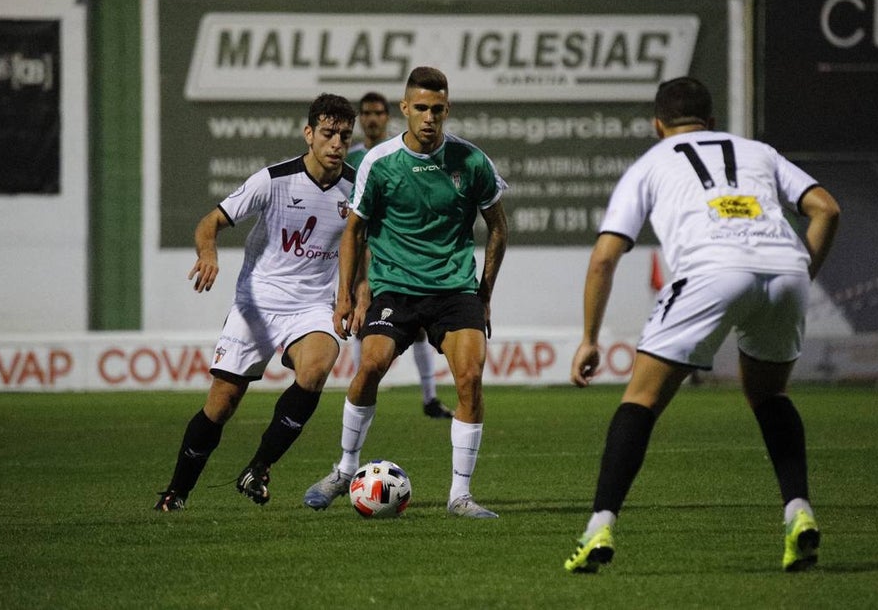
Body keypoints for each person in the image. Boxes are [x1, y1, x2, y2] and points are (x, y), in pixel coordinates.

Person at [562, 77, 841, 573]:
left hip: (712, 271)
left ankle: (598, 526)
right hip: (785, 269)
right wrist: (797, 273)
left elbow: (605, 258)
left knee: (641, 400)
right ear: (712, 123)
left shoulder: (650, 163)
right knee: (769, 396)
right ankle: (798, 510)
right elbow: (826, 209)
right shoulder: (758, 151)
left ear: (657, 125)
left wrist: (589, 338)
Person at [302, 66, 509, 518]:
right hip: (396, 287)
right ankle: (344, 469)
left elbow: (498, 228)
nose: (429, 117)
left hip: (455, 289)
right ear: (405, 109)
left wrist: (484, 292)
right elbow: (353, 232)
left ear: (447, 109)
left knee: (470, 378)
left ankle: (459, 496)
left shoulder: (472, 162)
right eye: (420, 108)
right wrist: (346, 295)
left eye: (437, 109)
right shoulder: (380, 163)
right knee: (370, 365)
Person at [153, 94, 357, 511]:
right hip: (257, 303)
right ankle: (176, 493)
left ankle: (259, 467)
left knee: (317, 367)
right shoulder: (273, 179)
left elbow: (364, 241)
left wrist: (354, 292)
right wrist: (208, 253)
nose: (336, 143)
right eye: (328, 133)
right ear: (309, 133)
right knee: (222, 404)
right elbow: (210, 222)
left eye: (344, 136)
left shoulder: (357, 186)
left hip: (313, 305)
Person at [347, 91, 456, 420]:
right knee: (358, 319)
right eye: (365, 112)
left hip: (389, 251)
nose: (371, 118)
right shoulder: (350, 158)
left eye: (378, 112)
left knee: (419, 327)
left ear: (388, 115)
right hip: (357, 249)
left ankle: (429, 398)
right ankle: (362, 389)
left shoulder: (398, 154)